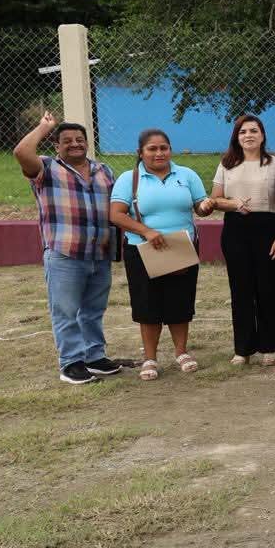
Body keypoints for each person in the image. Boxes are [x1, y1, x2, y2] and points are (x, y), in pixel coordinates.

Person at [14, 112, 119, 385]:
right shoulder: (46, 169)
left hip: (99, 254)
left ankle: (94, 356)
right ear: (57, 146)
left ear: (87, 143)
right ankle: (71, 363)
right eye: (67, 141)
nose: (75, 144)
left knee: (93, 310)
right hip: (64, 254)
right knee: (65, 311)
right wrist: (43, 127)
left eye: (80, 139)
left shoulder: (103, 170)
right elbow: (21, 151)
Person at [109, 128, 214, 380]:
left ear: (170, 149)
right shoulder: (129, 179)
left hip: (181, 246)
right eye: (152, 149)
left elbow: (199, 206)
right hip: (143, 248)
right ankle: (150, 358)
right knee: (148, 304)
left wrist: (205, 206)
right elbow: (116, 214)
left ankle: (181, 352)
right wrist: (145, 231)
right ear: (140, 152)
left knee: (180, 301)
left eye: (163, 148)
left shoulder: (186, 175)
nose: (159, 153)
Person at [210, 115, 275, 367]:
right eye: (243, 131)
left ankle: (268, 347)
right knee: (240, 290)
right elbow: (215, 200)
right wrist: (233, 204)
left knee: (266, 289)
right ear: (237, 136)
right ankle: (242, 349)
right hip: (236, 229)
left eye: (254, 130)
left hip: (267, 229)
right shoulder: (226, 164)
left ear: (263, 135)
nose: (248, 135)